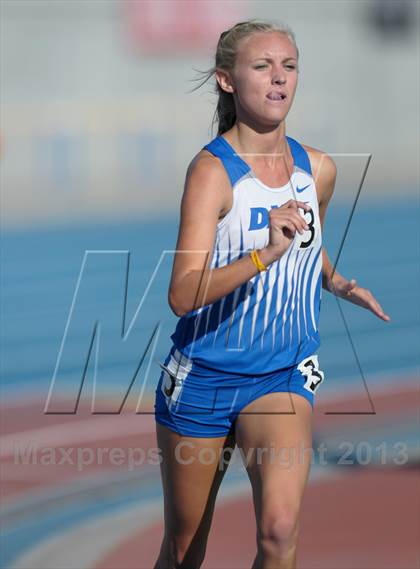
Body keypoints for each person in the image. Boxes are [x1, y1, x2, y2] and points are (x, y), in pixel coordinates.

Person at [153, 19, 390, 569]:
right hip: (204, 377)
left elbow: (311, 240)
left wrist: (334, 280)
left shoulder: (318, 169)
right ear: (227, 80)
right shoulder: (212, 173)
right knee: (185, 550)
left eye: (289, 65)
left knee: (280, 533)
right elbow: (183, 294)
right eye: (262, 66)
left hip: (282, 371)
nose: (279, 78)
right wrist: (262, 253)